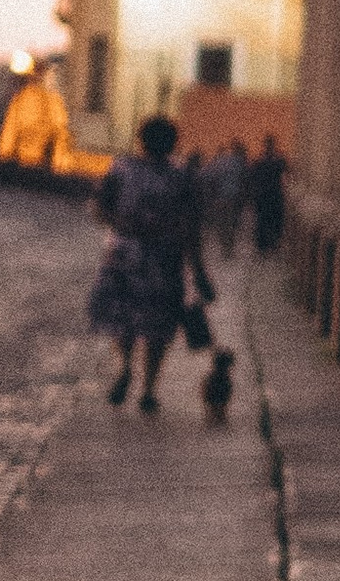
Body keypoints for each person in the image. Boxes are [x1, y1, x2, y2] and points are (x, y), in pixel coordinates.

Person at [87, 114, 212, 414]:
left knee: (123, 318)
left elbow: (98, 206)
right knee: (159, 327)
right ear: (173, 142)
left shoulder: (122, 168)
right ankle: (149, 389)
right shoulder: (182, 177)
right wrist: (199, 271)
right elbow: (191, 228)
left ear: (141, 140)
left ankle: (125, 367)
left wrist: (121, 225)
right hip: (164, 261)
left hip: (124, 257)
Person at [204, 138, 250, 259]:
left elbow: (209, 179)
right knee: (231, 222)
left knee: (222, 223)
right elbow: (245, 180)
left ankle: (225, 247)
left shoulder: (219, 162)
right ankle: (228, 247)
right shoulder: (239, 162)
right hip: (233, 197)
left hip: (219, 197)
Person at [247, 137, 289, 255]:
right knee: (275, 220)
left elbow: (251, 177)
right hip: (275, 194)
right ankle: (273, 244)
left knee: (261, 220)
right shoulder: (279, 159)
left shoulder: (258, 161)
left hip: (262, 195)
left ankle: (262, 246)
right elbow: (287, 172)